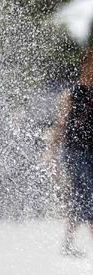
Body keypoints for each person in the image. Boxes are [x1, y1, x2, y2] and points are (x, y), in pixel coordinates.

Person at [43, 47, 93, 258]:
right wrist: (51, 151)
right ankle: (70, 242)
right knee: (88, 196)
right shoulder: (71, 94)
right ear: (83, 66)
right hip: (76, 154)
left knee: (80, 199)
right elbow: (60, 125)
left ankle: (68, 242)